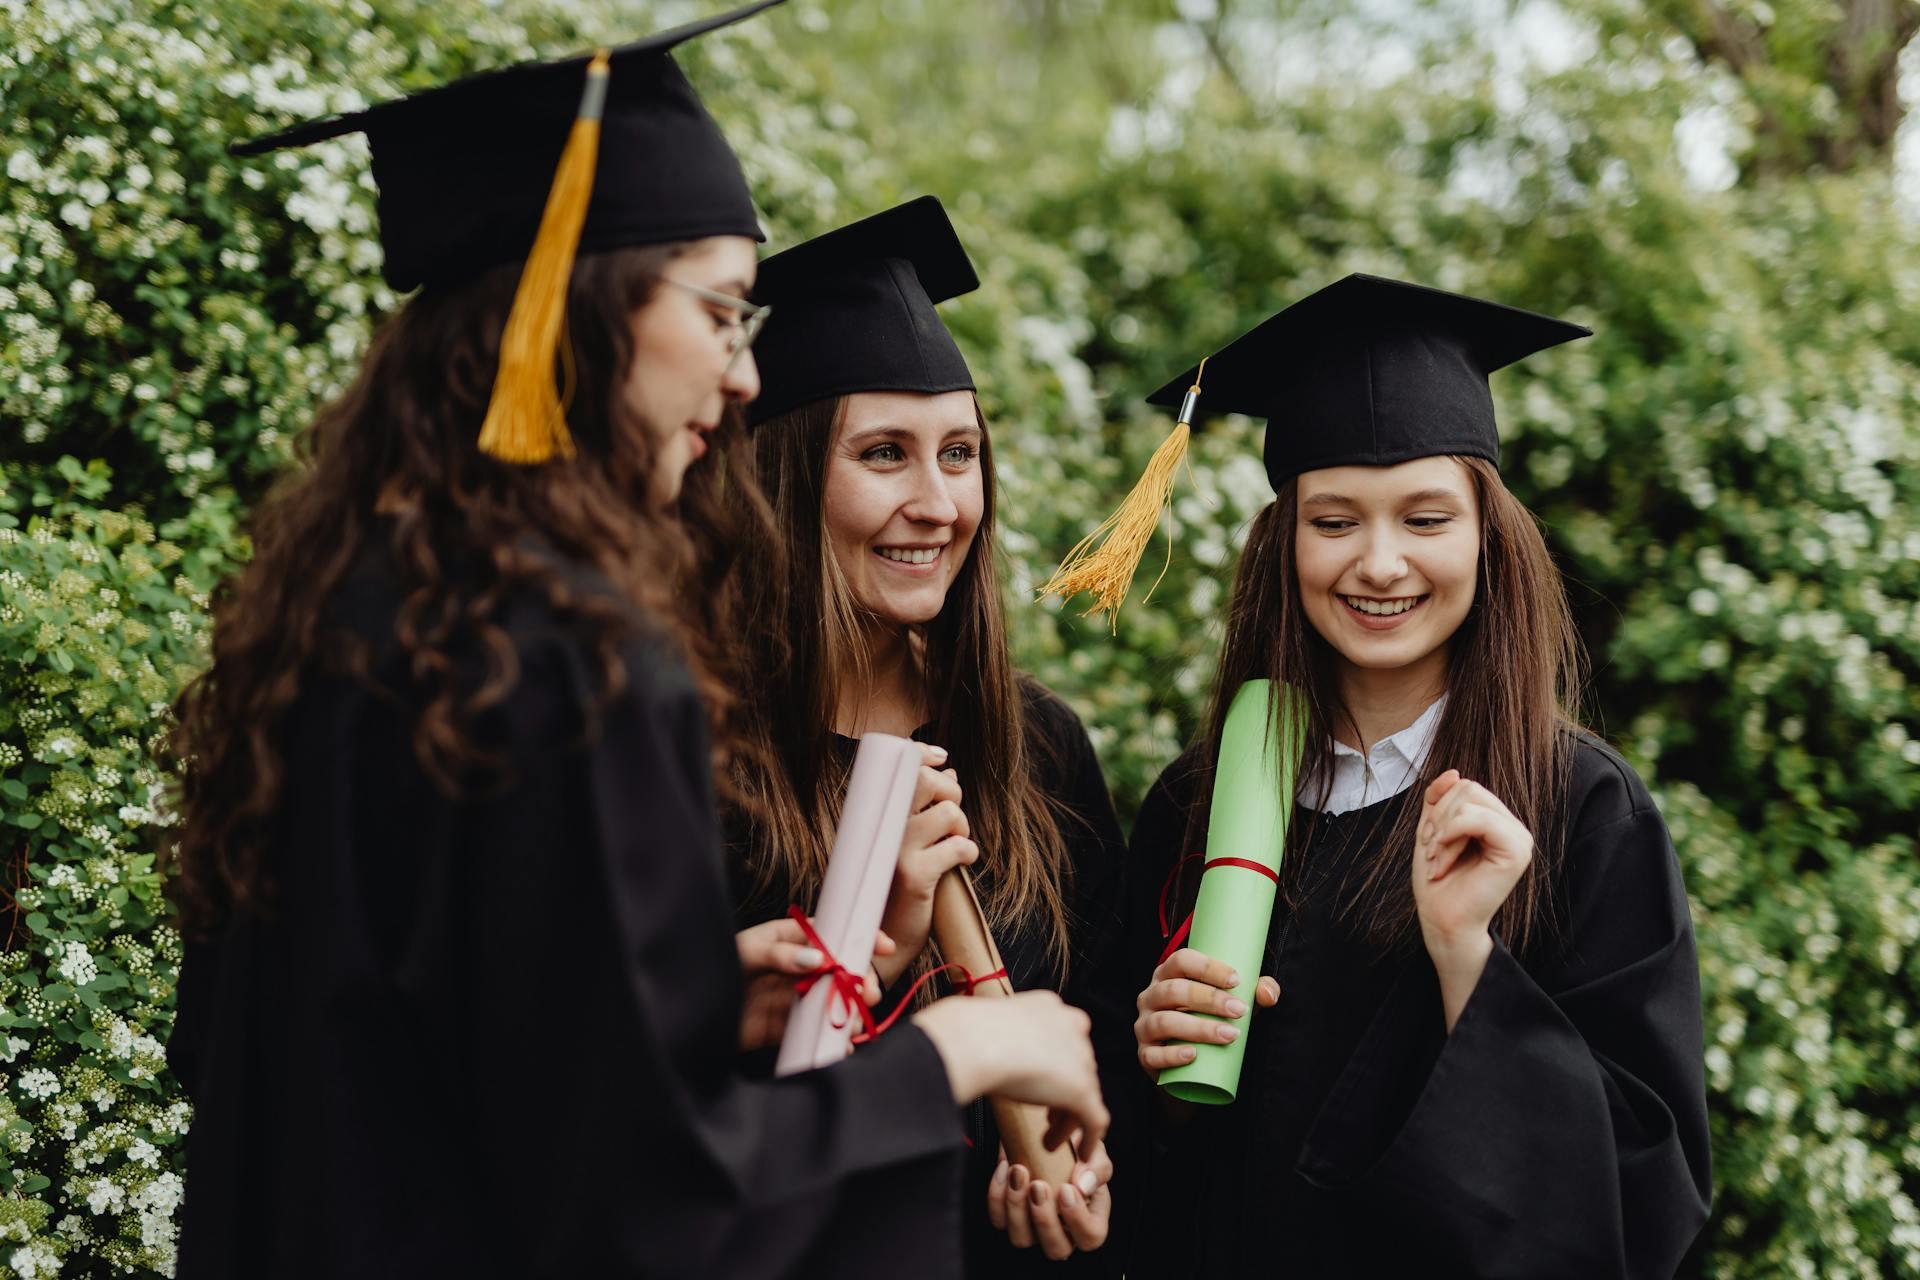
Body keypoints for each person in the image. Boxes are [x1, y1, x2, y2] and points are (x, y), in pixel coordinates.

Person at [163, 12, 1106, 1277]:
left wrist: (708, 1000)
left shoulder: (349, 618)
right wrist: (958, 1056)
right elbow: (648, 1203)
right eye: (720, 314)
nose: (733, 380)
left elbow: (391, 1059)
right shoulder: (575, 661)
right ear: (577, 312)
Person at [1060, 274, 1711, 1277]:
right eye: (1333, 520)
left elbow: (1640, 1199)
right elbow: (1108, 1155)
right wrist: (1143, 1050)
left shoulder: (1581, 811)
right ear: (1283, 541)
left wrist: (1469, 961)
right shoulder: (1198, 800)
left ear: (1487, 536)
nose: (1378, 562)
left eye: (1424, 518)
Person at [726, 197, 1137, 1274]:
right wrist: (869, 939)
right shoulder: (696, 756)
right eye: (883, 453)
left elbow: (1099, 1028)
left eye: (959, 451)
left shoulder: (1033, 741)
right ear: (784, 476)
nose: (939, 500)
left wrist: (1084, 1166)